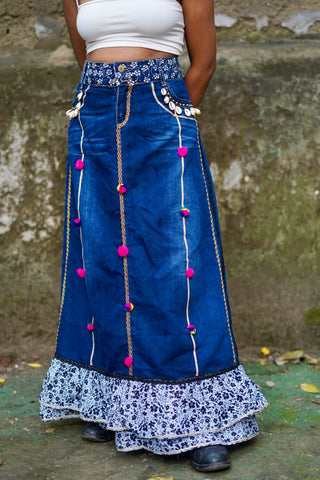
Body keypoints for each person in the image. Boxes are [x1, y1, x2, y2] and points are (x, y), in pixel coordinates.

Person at [39, 0, 267, 473]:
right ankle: (110, 400)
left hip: (160, 106)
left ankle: (201, 422)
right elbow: (87, 54)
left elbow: (203, 60)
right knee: (100, 255)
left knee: (174, 258)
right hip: (94, 112)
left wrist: (177, 113)